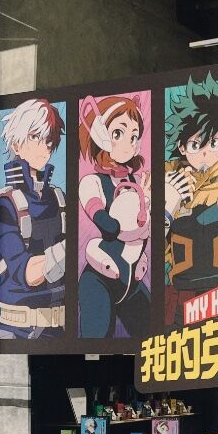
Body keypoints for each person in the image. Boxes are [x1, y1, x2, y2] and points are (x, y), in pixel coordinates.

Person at [164, 73, 218, 327]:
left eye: (214, 142)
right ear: (182, 147)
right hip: (181, 299)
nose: (206, 152)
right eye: (196, 145)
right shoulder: (169, 187)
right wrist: (167, 204)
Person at [78, 94, 151, 338]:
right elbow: (107, 225)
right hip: (99, 281)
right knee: (96, 345)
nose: (129, 144)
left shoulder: (137, 181)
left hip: (132, 282)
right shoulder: (92, 182)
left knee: (154, 341)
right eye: (118, 133)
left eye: (134, 137)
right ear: (100, 135)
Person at [0, 98, 66, 339]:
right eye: (35, 136)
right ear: (16, 143)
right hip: (15, 332)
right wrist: (74, 245)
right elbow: (27, 272)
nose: (44, 147)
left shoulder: (59, 198)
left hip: (60, 331)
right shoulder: (5, 204)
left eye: (49, 140)